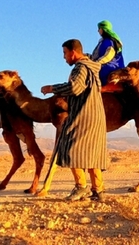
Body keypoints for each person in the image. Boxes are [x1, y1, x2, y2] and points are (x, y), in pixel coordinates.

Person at [41, 39, 109, 201]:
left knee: (70, 148)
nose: (64, 57)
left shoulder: (81, 67)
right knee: (92, 152)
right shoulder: (92, 67)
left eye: (65, 53)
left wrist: (53, 88)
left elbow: (75, 88)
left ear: (73, 52)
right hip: (96, 116)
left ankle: (81, 187)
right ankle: (98, 190)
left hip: (84, 115)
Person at [90, 20, 125, 84]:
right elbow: (96, 55)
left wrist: (97, 63)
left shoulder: (110, 41)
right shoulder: (103, 41)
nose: (98, 31)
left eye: (99, 28)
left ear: (103, 29)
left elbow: (109, 55)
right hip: (104, 64)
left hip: (111, 66)